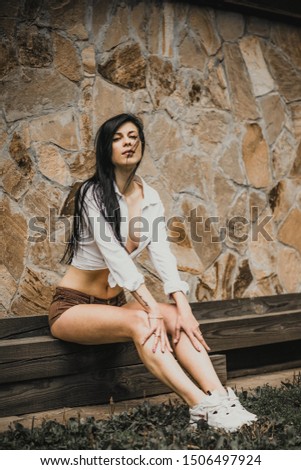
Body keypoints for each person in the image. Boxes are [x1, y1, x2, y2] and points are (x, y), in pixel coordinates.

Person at [49, 113, 256, 432]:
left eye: (133, 136)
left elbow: (162, 255)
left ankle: (223, 398)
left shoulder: (151, 198)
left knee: (174, 317)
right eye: (117, 138)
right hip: (72, 307)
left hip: (112, 306)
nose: (127, 142)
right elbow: (116, 257)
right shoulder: (91, 193)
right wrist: (149, 307)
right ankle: (202, 407)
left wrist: (183, 309)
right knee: (144, 320)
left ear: (142, 144)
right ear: (106, 149)